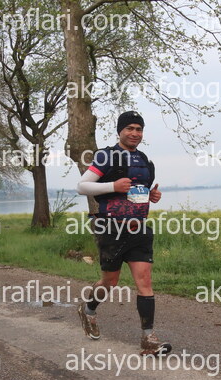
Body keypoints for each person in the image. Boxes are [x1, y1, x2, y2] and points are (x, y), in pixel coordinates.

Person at [76, 111, 171, 356]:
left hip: (138, 229)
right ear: (120, 131)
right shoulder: (106, 156)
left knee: (145, 282)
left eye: (139, 129)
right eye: (129, 128)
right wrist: (113, 186)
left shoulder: (144, 160)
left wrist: (151, 195)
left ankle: (148, 338)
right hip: (111, 229)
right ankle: (88, 309)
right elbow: (82, 186)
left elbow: (137, 191)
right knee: (110, 281)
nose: (135, 133)